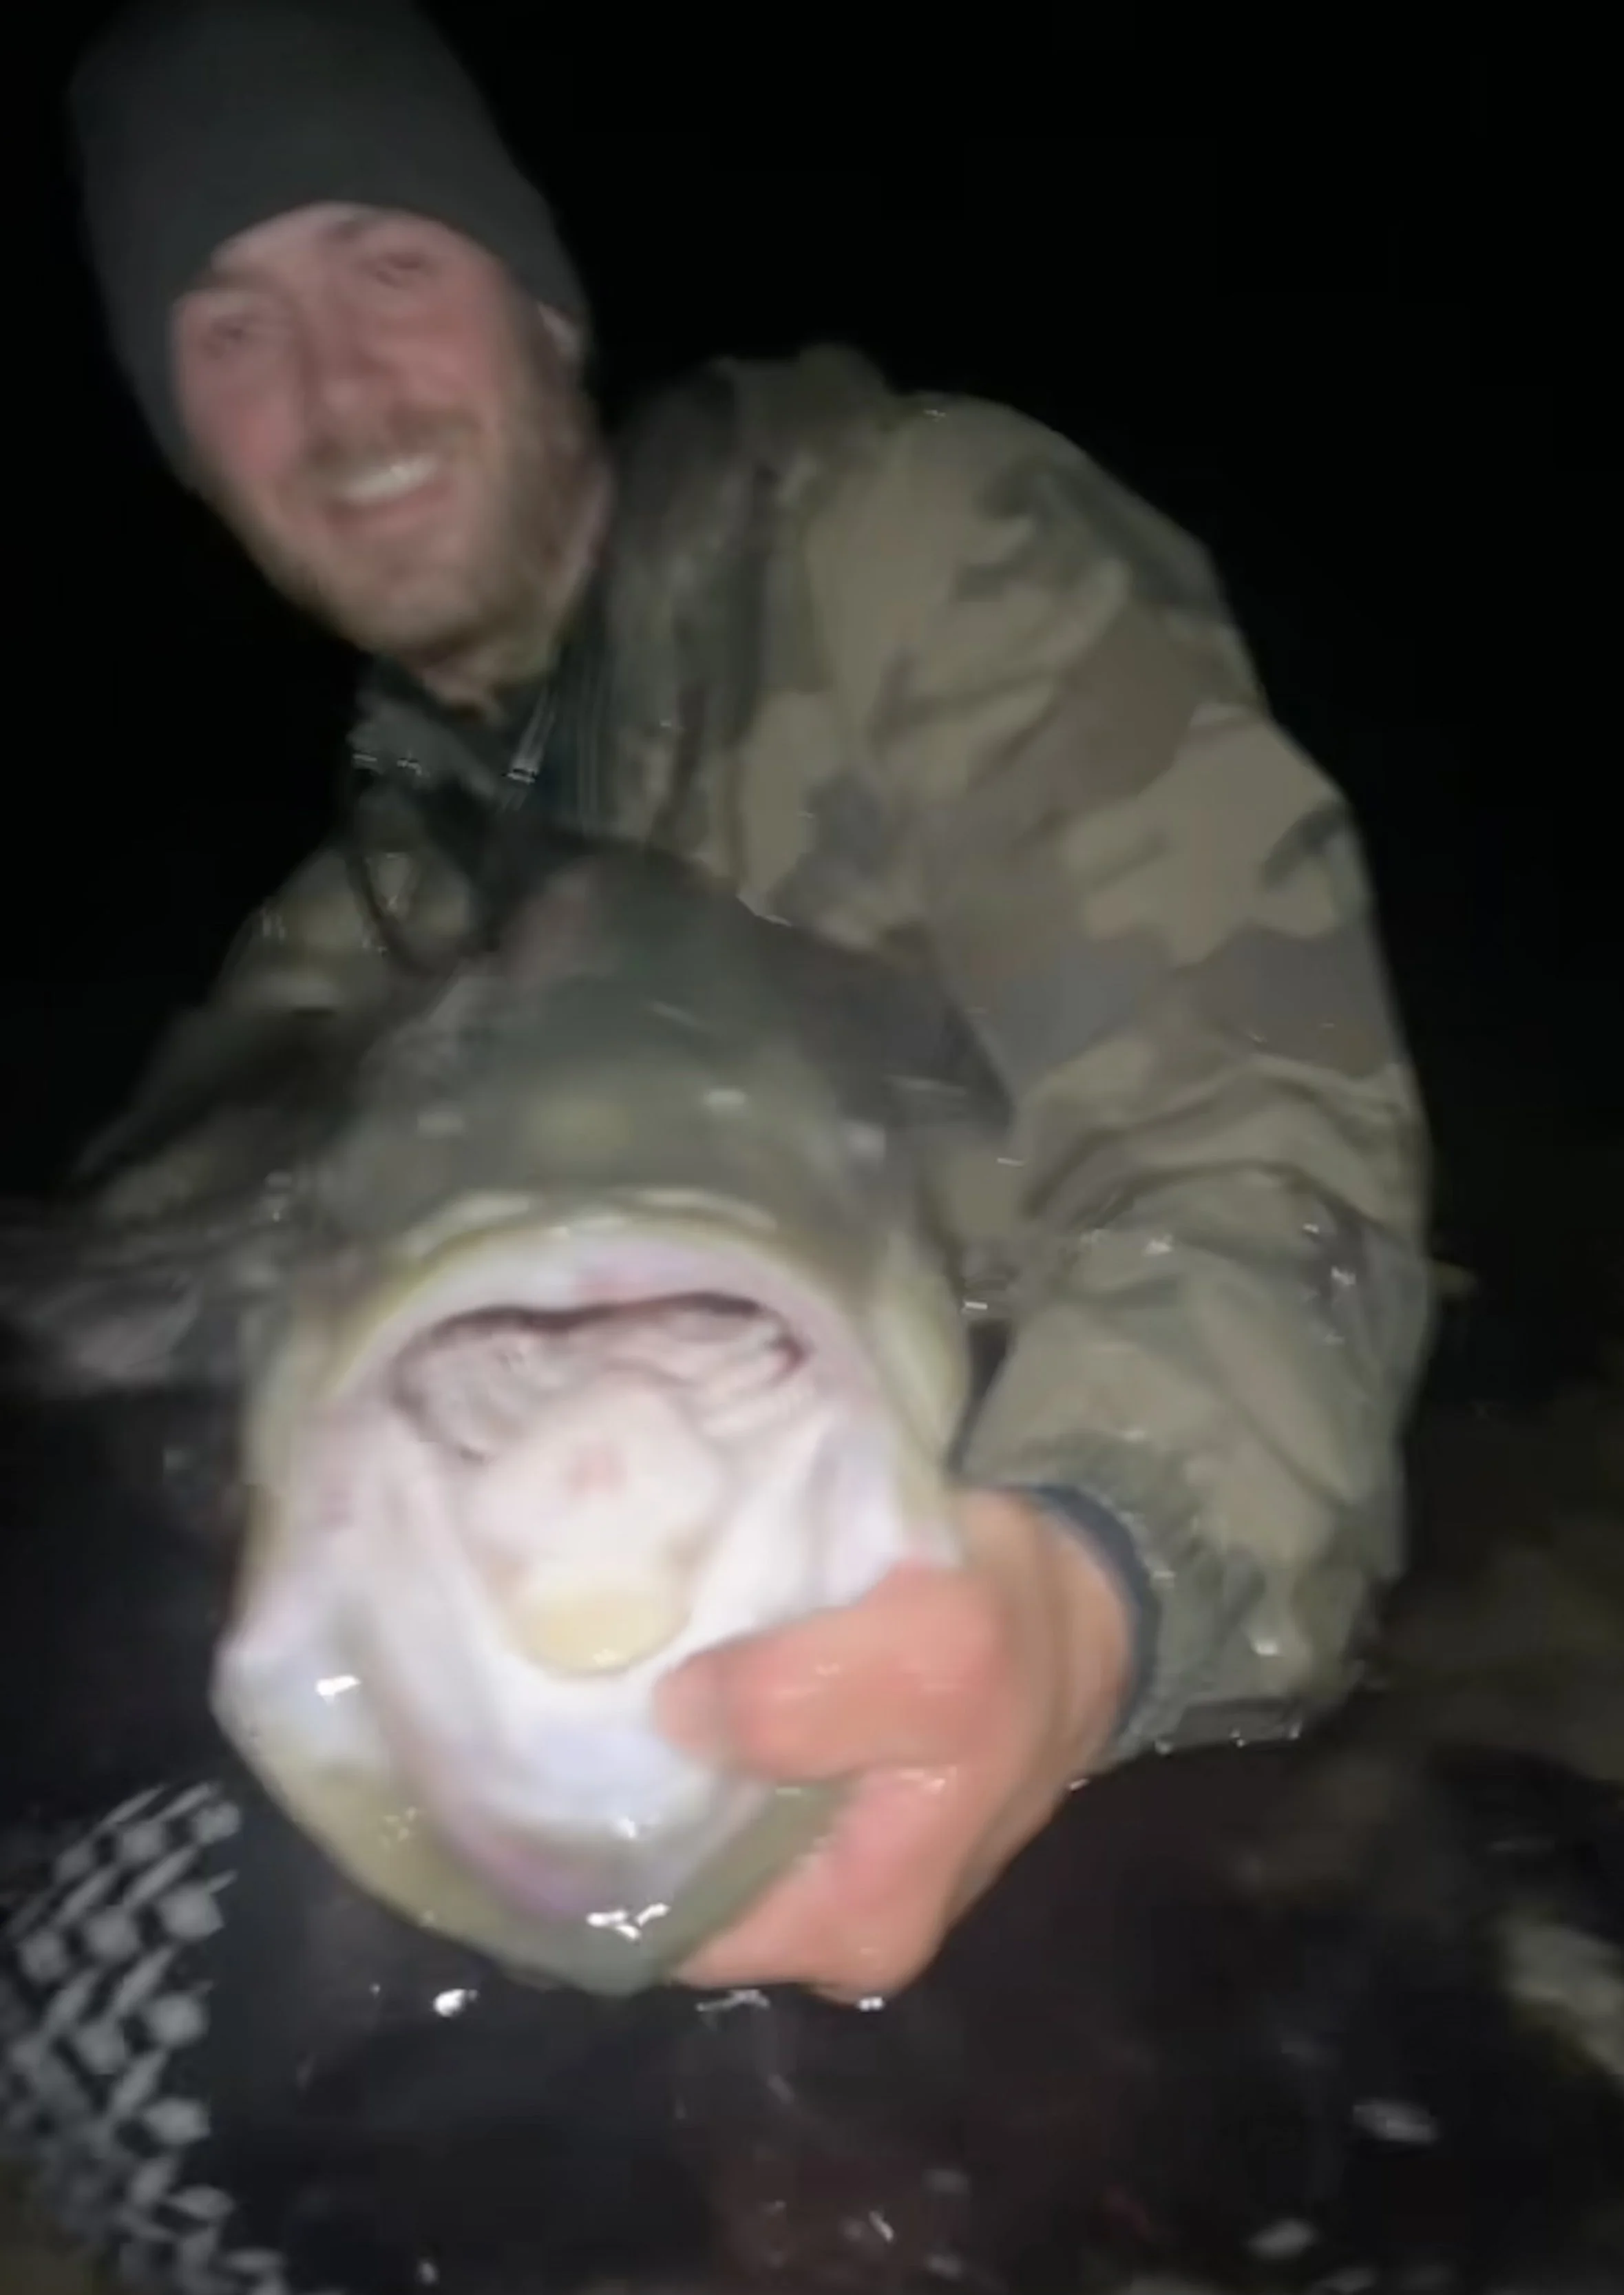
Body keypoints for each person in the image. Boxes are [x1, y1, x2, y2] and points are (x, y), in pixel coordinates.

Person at [63, 0, 1431, 2005]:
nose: (342, 396)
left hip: (1107, 1640)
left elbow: (1268, 1142)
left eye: (391, 267)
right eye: (235, 334)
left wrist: (1096, 1588)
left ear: (543, 312)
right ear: (193, 452)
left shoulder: (910, 550)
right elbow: (103, 1304)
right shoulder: (361, 915)